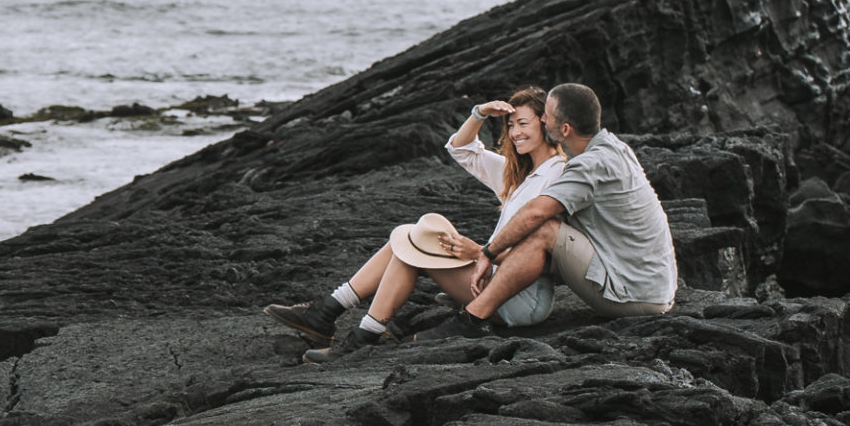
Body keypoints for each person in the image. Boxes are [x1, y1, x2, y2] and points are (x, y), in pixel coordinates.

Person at [263, 86, 566, 363]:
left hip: (521, 299)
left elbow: (542, 254)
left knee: (411, 245)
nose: (514, 133)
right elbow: (461, 148)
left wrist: (479, 253)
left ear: (546, 123)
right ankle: (338, 317)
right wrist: (479, 113)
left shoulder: (557, 176)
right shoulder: (518, 174)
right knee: (409, 236)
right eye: (511, 125)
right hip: (495, 279)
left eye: (523, 124)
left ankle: (348, 328)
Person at [413, 81, 676, 340]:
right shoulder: (614, 147)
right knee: (547, 231)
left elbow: (536, 213)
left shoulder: (588, 165)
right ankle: (478, 300)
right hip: (650, 285)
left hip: (635, 296)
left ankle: (472, 318)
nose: (543, 120)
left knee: (544, 229)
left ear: (564, 129)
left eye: (546, 117)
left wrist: (486, 253)